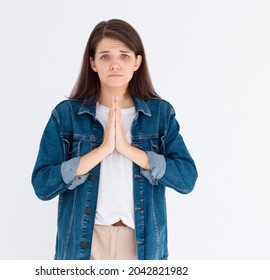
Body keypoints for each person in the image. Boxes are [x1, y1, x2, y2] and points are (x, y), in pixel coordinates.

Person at [31, 19, 198, 260]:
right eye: (105, 56)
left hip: (141, 246)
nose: (115, 64)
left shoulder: (160, 115)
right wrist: (102, 150)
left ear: (137, 61)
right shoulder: (66, 115)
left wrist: (128, 150)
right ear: (93, 63)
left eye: (124, 55)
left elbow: (186, 179)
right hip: (84, 243)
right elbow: (42, 185)